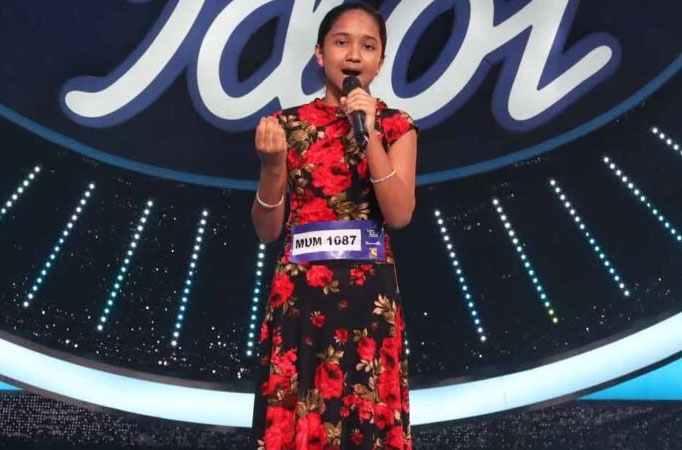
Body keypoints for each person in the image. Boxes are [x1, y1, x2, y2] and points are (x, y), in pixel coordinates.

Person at [251, 3, 418, 449]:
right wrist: (272, 166)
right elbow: (267, 230)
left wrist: (370, 133)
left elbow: (400, 214)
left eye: (368, 46)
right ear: (320, 53)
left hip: (369, 303)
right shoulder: (287, 126)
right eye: (342, 42)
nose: (354, 55)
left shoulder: (396, 126)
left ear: (381, 60)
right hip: (301, 301)